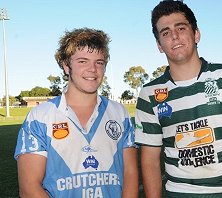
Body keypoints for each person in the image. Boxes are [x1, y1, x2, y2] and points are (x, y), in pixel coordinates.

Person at [135, 1, 222, 197]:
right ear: (159, 46)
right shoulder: (149, 94)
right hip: (178, 193)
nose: (174, 36)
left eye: (181, 27)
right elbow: (150, 160)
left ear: (196, 34)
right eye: (165, 32)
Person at [14, 28, 138, 198]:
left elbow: (130, 175)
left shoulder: (119, 113)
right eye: (82, 61)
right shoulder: (39, 117)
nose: (92, 69)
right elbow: (29, 188)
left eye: (99, 62)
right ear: (66, 66)